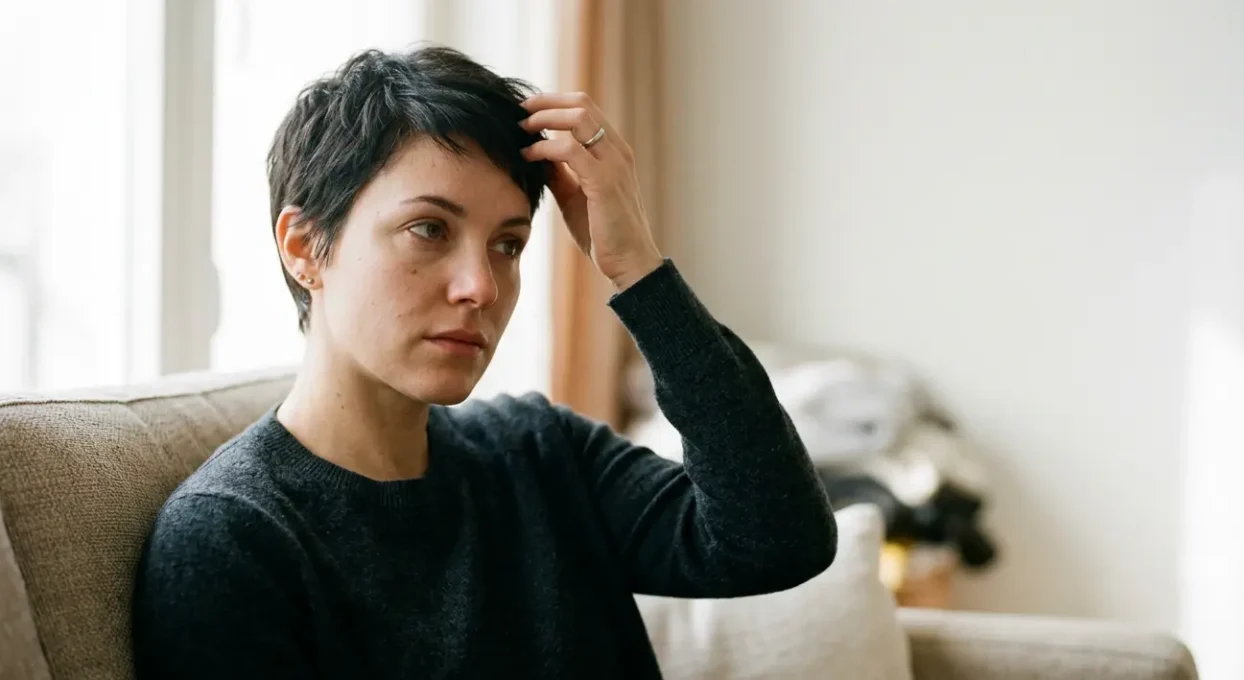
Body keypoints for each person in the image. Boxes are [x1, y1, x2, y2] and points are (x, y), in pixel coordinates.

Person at [131, 46, 837, 679]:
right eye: (429, 229)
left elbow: (778, 541)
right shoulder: (233, 540)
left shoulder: (540, 452)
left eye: (507, 243)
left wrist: (638, 271)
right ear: (305, 247)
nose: (482, 286)